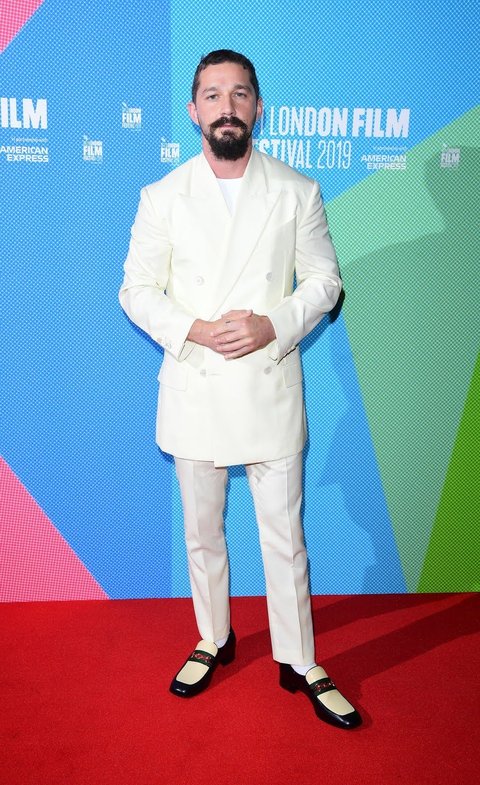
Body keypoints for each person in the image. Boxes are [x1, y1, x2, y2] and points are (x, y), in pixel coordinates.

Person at [119, 49, 361, 730]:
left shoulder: (297, 190)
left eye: (240, 93)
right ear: (193, 111)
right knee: (202, 533)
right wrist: (196, 329)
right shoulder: (162, 196)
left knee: (285, 535)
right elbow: (135, 290)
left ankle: (300, 658)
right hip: (195, 384)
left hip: (267, 383)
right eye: (213, 95)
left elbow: (325, 281)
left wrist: (271, 325)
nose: (226, 107)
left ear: (257, 107)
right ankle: (212, 637)